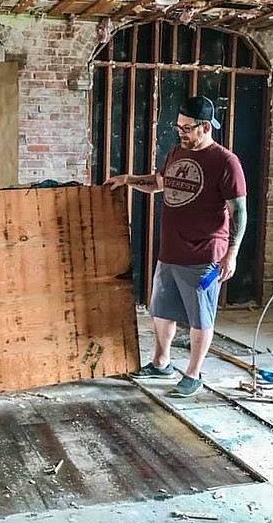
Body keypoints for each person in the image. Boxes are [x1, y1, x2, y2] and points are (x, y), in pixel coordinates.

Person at [106, 95, 247, 398]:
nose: (180, 132)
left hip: (204, 254)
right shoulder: (176, 153)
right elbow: (159, 183)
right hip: (170, 250)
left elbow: (240, 212)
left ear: (205, 127)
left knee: (200, 316)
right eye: (178, 126)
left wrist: (231, 255)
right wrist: (127, 179)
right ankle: (161, 362)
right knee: (162, 310)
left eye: (186, 128)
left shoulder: (226, 162)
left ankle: (193, 373)